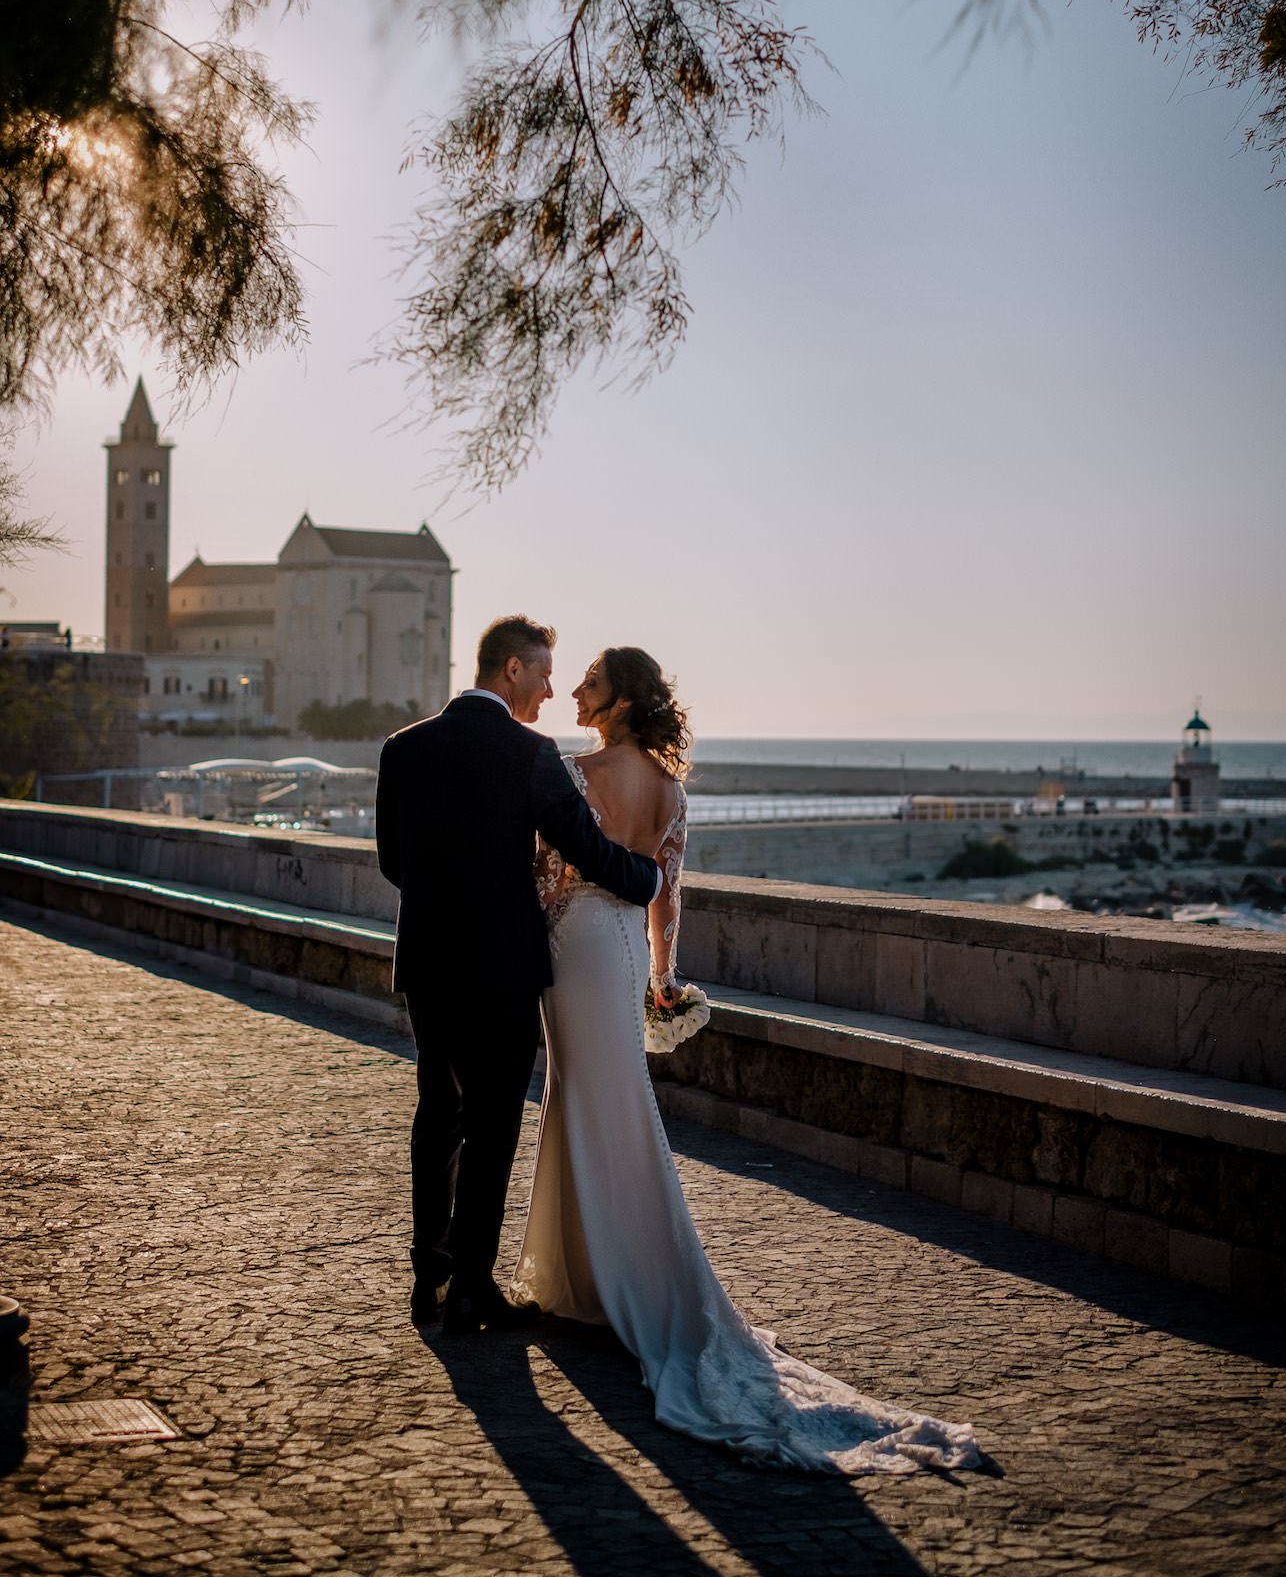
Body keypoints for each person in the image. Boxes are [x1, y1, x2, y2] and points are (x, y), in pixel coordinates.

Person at [512, 646, 980, 1476]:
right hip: (622, 949)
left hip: (575, 944)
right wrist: (661, 978)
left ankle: (600, 1283)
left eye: (589, 681)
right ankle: (600, 1275)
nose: (576, 691)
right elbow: (667, 895)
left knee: (579, 1098)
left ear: (619, 701)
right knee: (609, 1100)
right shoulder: (670, 790)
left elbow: (548, 876)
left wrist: (543, 928)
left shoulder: (574, 772)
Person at [375, 615, 663, 1333]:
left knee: (437, 1113)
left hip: (430, 962)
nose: (549, 688)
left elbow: (391, 863)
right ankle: (473, 1286)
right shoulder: (530, 754)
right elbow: (588, 850)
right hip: (503, 967)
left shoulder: (402, 749)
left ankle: (427, 1276)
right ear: (511, 671)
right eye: (541, 673)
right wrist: (646, 880)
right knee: (493, 1122)